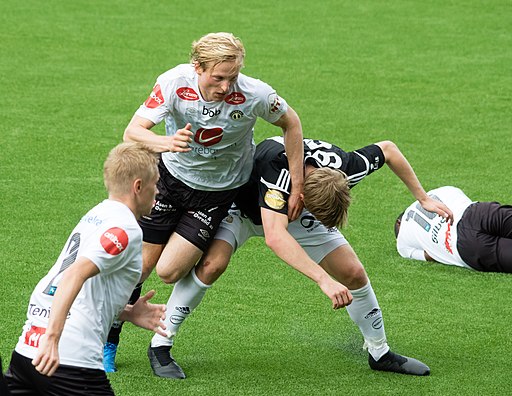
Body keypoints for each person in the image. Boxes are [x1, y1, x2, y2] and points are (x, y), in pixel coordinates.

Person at [147, 136, 454, 378]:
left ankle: (380, 352)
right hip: (242, 209)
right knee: (214, 264)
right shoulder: (276, 170)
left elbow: (388, 150)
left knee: (353, 272)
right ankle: (161, 345)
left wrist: (423, 198)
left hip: (297, 209)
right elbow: (276, 236)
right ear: (302, 197)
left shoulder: (344, 166)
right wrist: (323, 280)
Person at [104, 32, 305, 374]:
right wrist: (166, 141)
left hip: (218, 193)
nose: (227, 86)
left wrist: (297, 182)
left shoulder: (255, 94)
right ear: (197, 67)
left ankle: (158, 333)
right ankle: (109, 338)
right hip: (168, 184)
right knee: (141, 267)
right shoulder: (173, 83)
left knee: (169, 272)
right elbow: (133, 132)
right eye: (218, 77)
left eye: (233, 76)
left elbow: (292, 123)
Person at [4, 143, 167, 395]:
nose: (157, 192)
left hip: (27, 354)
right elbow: (74, 274)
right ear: (138, 186)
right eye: (155, 184)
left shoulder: (97, 214)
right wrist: (52, 337)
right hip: (66, 359)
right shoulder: (126, 228)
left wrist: (127, 313)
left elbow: (88, 291)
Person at [395, 186, 512, 272]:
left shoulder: (402, 245)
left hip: (463, 245)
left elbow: (430, 255)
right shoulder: (432, 193)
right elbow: (457, 194)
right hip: (478, 213)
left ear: (399, 223)